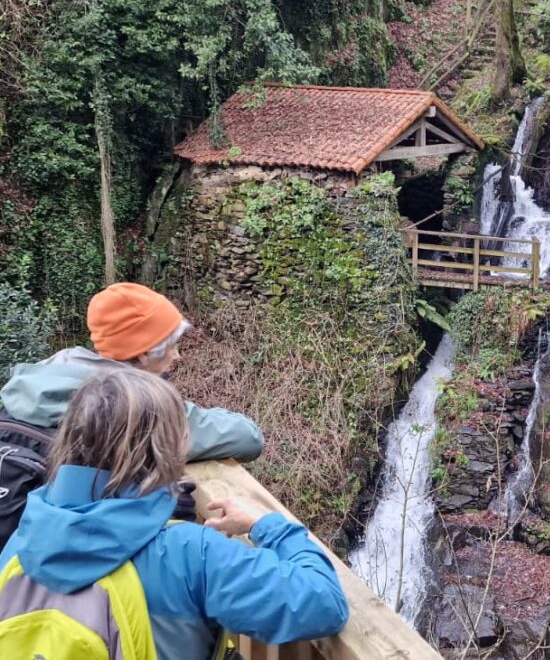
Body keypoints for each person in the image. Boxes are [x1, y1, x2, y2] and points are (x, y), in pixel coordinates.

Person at [0, 369, 349, 658]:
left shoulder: (26, 533)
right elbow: (325, 604)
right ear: (161, 446)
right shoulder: (188, 553)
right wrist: (267, 524)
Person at [0, 282, 263, 462]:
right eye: (171, 346)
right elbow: (248, 438)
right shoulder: (134, 405)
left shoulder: (33, 380)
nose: (177, 356)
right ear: (146, 351)